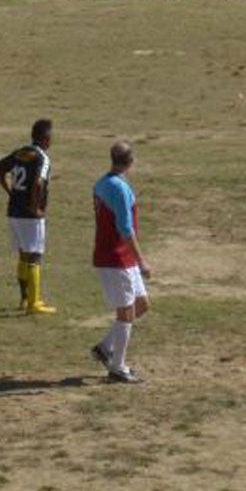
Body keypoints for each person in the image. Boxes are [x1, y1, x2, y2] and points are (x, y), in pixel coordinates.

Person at [89, 141, 151, 383]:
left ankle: (104, 348)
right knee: (126, 314)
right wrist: (142, 261)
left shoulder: (102, 183)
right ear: (131, 162)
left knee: (141, 305)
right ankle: (117, 368)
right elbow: (125, 229)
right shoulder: (120, 189)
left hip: (116, 258)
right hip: (116, 259)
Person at [0, 118, 56, 314]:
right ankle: (35, 303)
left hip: (13, 211)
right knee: (35, 256)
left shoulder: (21, 153)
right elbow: (38, 183)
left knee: (23, 256)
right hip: (30, 216)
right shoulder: (42, 158)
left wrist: (10, 192)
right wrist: (35, 207)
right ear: (46, 138)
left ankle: (24, 298)